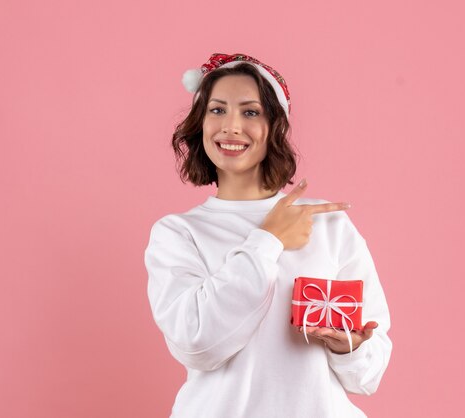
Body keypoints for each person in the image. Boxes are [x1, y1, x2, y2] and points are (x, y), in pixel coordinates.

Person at [144, 53, 392, 418]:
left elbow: (369, 375)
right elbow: (197, 344)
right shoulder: (177, 234)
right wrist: (267, 240)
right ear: (199, 123)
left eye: (250, 112)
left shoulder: (326, 224)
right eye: (216, 110)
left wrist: (348, 348)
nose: (230, 126)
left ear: (275, 126)